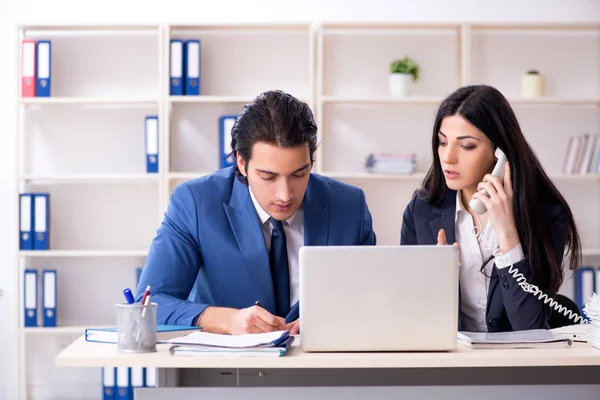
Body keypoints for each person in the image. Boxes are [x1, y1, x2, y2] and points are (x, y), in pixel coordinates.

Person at [136, 90, 376, 335]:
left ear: (311, 161)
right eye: (268, 176)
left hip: (323, 365)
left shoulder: (349, 206)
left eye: (298, 174)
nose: (285, 194)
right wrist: (223, 319)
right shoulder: (196, 202)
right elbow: (149, 303)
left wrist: (335, 317)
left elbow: (374, 297)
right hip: (229, 368)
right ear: (241, 162)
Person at [400, 84, 581, 332]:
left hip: (517, 364)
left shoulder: (546, 213)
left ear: (500, 152)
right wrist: (439, 281)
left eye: (466, 146)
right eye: (442, 142)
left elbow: (529, 328)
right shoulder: (420, 211)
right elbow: (409, 317)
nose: (448, 157)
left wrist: (508, 235)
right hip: (450, 363)